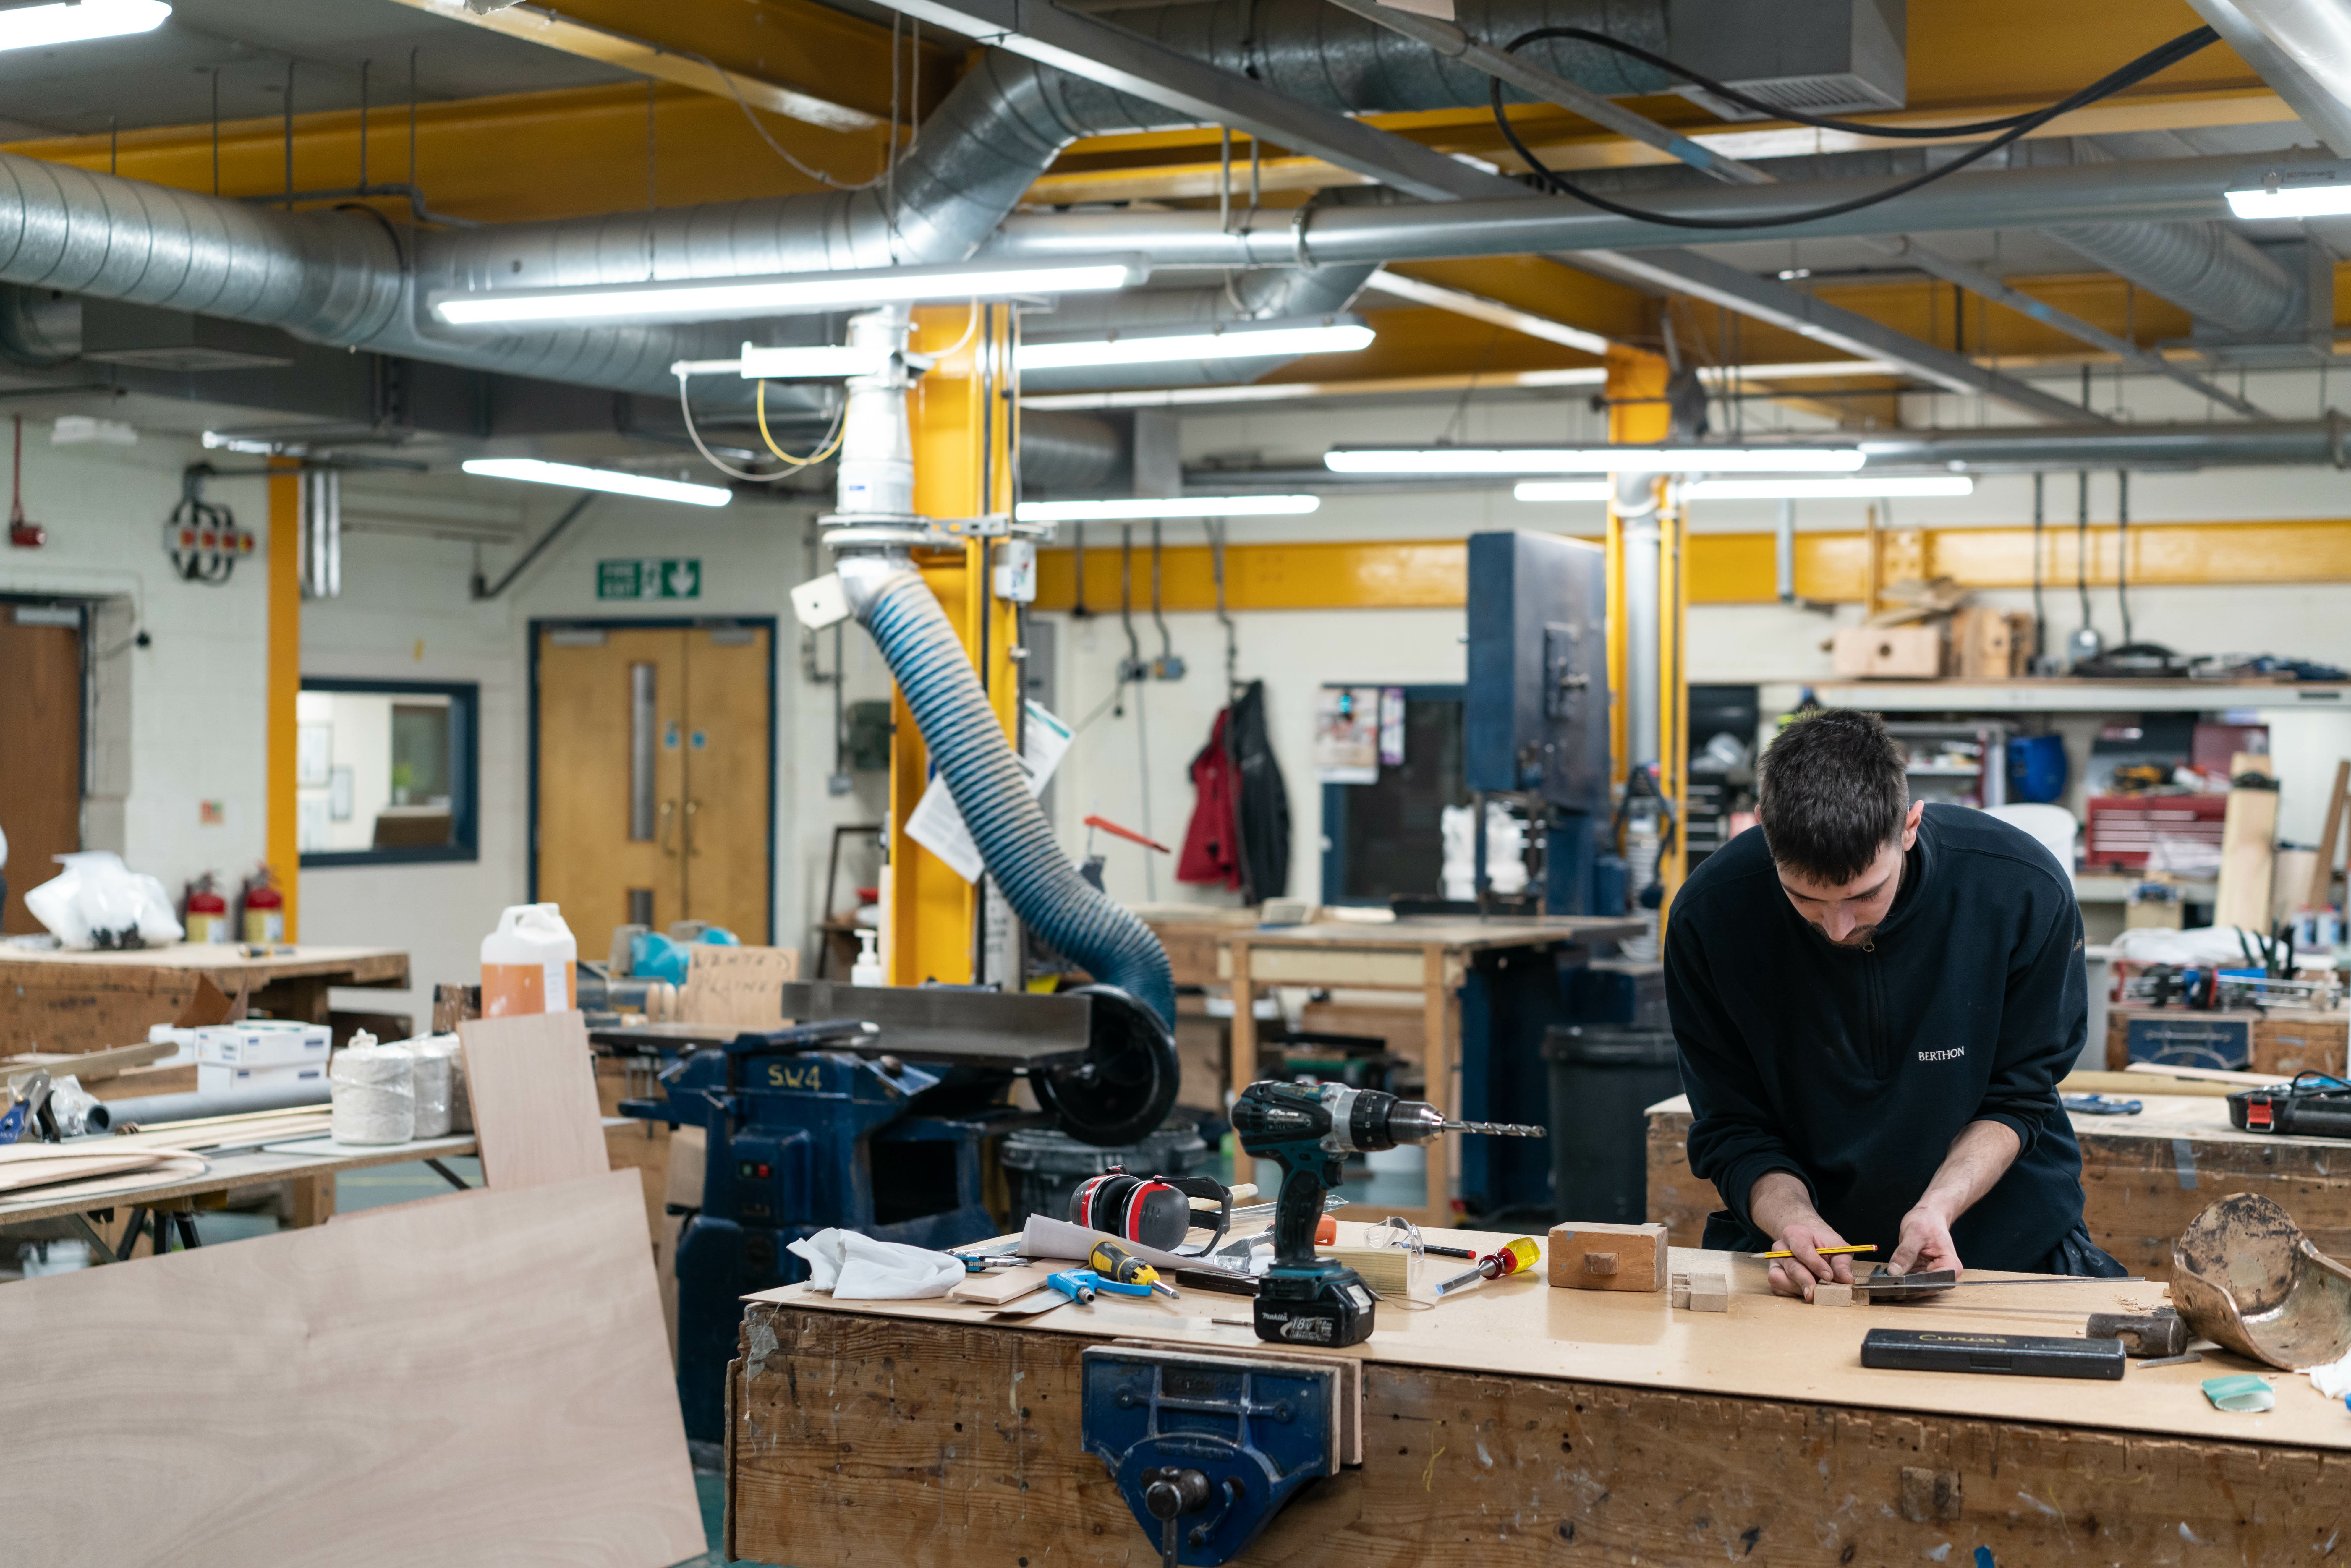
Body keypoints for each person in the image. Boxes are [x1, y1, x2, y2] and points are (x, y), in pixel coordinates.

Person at [1664, 707, 2125, 1299]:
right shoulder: (1712, 918)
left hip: (2001, 1250)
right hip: (1800, 1264)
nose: (1836, 928)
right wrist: (1790, 1219)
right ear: (1760, 829)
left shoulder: (2019, 890)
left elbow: (2018, 1097)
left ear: (1909, 826)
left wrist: (1939, 1206)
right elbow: (1732, 1125)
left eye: (1864, 895)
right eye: (1804, 898)